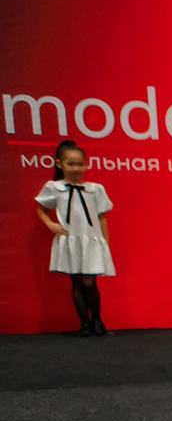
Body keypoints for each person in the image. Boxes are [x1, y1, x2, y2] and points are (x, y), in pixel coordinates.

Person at [34, 141, 115, 336]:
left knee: (90, 282)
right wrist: (51, 224)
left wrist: (105, 242)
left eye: (80, 164)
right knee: (76, 283)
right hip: (70, 240)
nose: (77, 168)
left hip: (91, 240)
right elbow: (41, 209)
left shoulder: (95, 189)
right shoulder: (54, 187)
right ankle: (85, 323)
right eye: (71, 164)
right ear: (60, 164)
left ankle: (97, 320)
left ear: (86, 164)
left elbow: (102, 216)